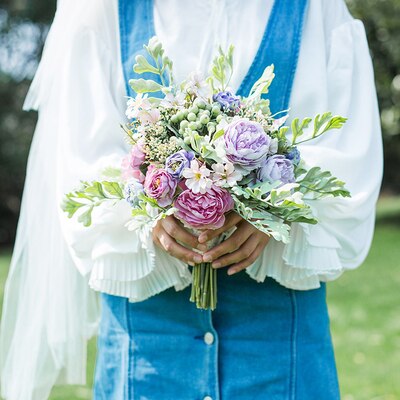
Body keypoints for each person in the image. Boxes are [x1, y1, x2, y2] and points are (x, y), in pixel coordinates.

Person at [0, 0, 383, 399]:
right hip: (146, 356)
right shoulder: (102, 11)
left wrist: (276, 211)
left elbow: (351, 150)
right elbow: (78, 157)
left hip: (281, 351)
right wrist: (149, 211)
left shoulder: (318, 10)